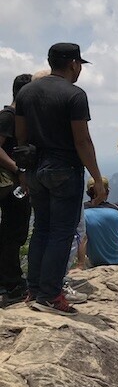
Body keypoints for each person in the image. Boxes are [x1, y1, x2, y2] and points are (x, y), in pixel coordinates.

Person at [15, 43, 107, 315]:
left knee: (41, 228)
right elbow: (82, 140)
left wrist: (24, 173)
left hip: (34, 168)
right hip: (64, 168)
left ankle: (34, 290)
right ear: (73, 64)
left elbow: (21, 136)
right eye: (79, 65)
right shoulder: (74, 95)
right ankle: (51, 295)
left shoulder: (26, 92)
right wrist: (97, 179)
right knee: (61, 232)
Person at [0, 74, 32, 306]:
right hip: (11, 185)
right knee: (13, 232)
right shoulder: (8, 117)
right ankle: (11, 283)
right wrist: (18, 169)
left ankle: (10, 280)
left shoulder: (14, 118)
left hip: (15, 184)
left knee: (15, 231)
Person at [78, 176, 118, 267]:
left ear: (88, 192)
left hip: (94, 259)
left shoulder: (81, 210)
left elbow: (81, 238)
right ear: (107, 191)